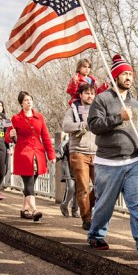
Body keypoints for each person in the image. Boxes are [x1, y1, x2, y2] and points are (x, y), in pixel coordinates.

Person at [86, 54, 138, 259]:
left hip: (134, 162)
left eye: (130, 74)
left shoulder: (136, 104)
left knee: (137, 203)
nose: (128, 77)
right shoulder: (102, 99)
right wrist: (119, 118)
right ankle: (96, 235)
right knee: (105, 203)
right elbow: (94, 126)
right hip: (108, 163)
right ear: (115, 76)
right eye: (124, 73)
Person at [10, 91, 56, 221]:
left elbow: (46, 137)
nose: (28, 102)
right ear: (21, 103)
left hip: (38, 154)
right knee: (29, 182)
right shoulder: (15, 118)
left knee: (31, 183)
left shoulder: (39, 117)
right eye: (25, 100)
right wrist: (11, 135)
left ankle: (24, 209)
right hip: (24, 154)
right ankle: (34, 210)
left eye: (30, 99)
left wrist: (51, 155)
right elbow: (7, 137)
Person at [61, 82, 98, 230]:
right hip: (79, 152)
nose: (90, 96)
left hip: (97, 153)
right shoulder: (73, 110)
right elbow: (66, 126)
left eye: (92, 93)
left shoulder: (98, 109)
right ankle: (87, 219)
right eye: (87, 93)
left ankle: (87, 207)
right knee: (83, 187)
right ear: (81, 95)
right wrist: (83, 125)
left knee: (101, 186)